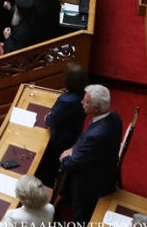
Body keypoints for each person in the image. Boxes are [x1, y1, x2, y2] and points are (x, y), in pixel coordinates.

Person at [59, 83, 123, 222]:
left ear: (96, 107)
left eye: (86, 101)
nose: (82, 102)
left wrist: (64, 157)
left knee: (81, 215)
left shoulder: (96, 136)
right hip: (105, 166)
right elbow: (85, 138)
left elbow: (71, 164)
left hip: (90, 184)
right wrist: (74, 149)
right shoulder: (113, 116)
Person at [38, 62, 87, 185]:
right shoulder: (84, 94)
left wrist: (48, 118)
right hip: (73, 135)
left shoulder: (66, 101)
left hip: (59, 141)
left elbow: (51, 120)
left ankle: (47, 182)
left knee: (49, 165)